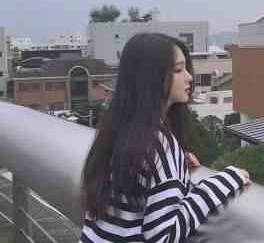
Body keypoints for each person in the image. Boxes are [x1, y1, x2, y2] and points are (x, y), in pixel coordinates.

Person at [80, 33, 250, 243]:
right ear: (151, 78)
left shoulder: (119, 128)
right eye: (178, 70)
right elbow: (162, 236)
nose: (189, 77)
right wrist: (222, 183)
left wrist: (174, 171)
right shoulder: (160, 144)